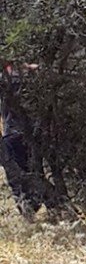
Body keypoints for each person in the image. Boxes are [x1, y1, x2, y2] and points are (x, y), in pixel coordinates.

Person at [0, 62, 42, 218]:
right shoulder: (28, 77)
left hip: (13, 134)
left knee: (18, 177)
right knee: (33, 171)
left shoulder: (5, 79)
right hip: (31, 133)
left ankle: (28, 211)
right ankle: (32, 208)